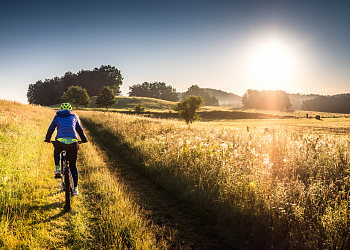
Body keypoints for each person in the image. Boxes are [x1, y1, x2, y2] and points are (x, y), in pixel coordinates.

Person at [45, 103, 88, 195]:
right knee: (73, 165)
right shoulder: (74, 117)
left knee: (57, 151)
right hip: (73, 142)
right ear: (70, 110)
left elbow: (51, 128)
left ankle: (57, 168)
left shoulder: (57, 117)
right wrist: (84, 140)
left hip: (60, 141)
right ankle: (75, 189)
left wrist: (48, 139)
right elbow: (80, 130)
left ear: (60, 109)